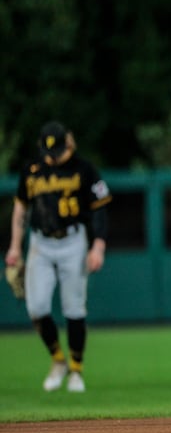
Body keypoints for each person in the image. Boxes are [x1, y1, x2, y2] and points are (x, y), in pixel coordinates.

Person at [4, 121, 112, 392]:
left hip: (73, 241)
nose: (53, 156)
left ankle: (76, 370)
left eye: (59, 149)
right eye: (49, 151)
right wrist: (15, 246)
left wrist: (97, 245)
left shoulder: (84, 169)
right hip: (40, 242)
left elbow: (100, 208)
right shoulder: (32, 170)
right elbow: (20, 210)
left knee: (74, 308)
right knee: (37, 307)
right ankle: (58, 360)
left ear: (70, 143)